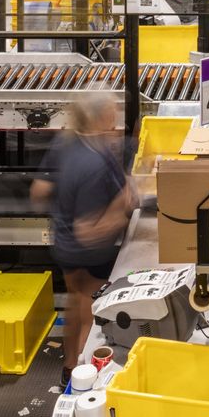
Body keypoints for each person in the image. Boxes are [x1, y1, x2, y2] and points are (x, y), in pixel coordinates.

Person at [31, 96, 136, 388]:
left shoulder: (66, 142)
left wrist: (66, 200)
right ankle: (82, 383)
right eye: (113, 112)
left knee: (74, 300)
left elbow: (38, 191)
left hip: (64, 247)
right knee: (91, 315)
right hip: (90, 253)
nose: (116, 120)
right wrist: (123, 207)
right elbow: (89, 231)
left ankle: (67, 366)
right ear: (102, 116)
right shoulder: (95, 161)